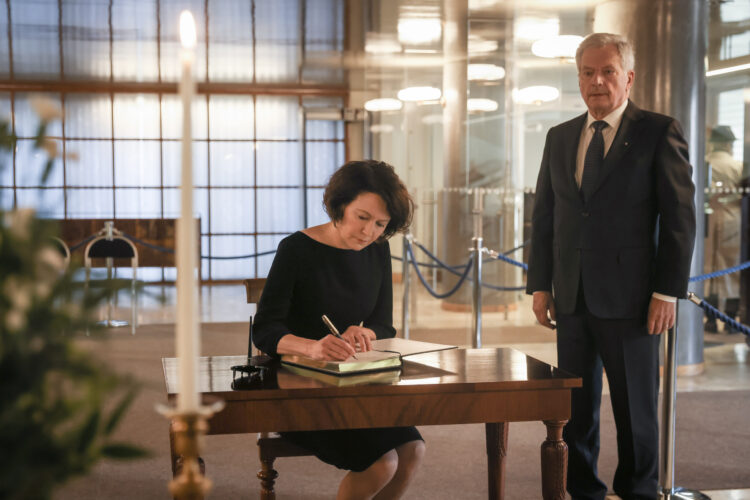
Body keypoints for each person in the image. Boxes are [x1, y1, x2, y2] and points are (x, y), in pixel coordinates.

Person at [526, 33, 696, 500]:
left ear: (629, 77)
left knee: (635, 412)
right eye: (587, 72)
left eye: (607, 72)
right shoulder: (560, 136)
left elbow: (680, 218)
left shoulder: (659, 131)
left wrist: (667, 293)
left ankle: (639, 492)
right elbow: (546, 216)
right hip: (572, 298)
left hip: (635, 300)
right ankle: (584, 492)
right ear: (578, 77)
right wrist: (540, 284)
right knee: (575, 412)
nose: (597, 82)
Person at [253, 159, 424, 500]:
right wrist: (313, 347)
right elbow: (265, 330)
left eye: (380, 223)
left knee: (413, 450)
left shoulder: (377, 250)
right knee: (382, 463)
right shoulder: (297, 249)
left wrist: (365, 334)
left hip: (354, 386)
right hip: (299, 389)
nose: (369, 231)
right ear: (340, 205)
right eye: (362, 217)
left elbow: (382, 323)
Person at [704, 125, 744, 332]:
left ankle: (710, 319)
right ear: (728, 145)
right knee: (732, 269)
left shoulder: (705, 163)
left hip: (708, 219)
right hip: (733, 220)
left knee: (709, 270)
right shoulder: (738, 166)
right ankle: (730, 320)